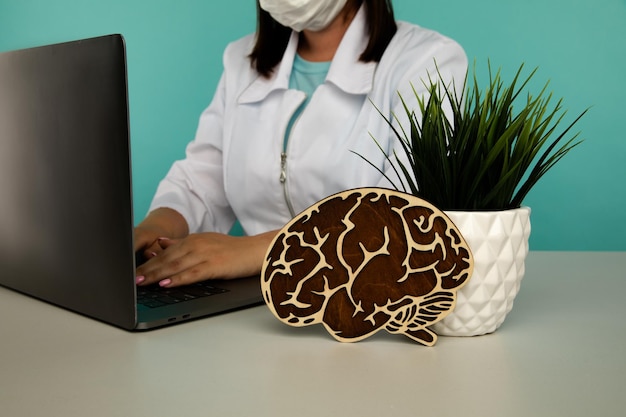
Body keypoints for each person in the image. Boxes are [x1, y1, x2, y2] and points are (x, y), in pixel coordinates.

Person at [134, 0, 467, 288]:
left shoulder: (428, 61)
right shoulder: (241, 60)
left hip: (363, 300)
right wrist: (155, 229)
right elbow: (203, 178)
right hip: (255, 303)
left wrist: (256, 251)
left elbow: (403, 215)